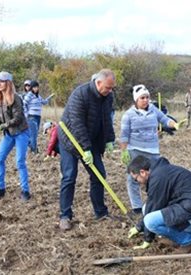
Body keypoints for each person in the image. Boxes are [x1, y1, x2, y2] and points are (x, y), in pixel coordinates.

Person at [58, 68, 116, 231]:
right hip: (70, 141)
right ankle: (65, 216)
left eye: (112, 88)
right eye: (108, 87)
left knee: (99, 175)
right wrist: (86, 149)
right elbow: (77, 125)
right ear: (98, 83)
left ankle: (100, 212)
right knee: (69, 176)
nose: (110, 91)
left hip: (91, 142)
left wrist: (110, 139)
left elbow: (107, 120)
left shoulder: (108, 96)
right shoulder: (80, 94)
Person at [127, 155, 191, 252]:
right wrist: (139, 227)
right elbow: (151, 206)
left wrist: (147, 239)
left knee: (150, 222)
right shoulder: (160, 172)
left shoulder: (158, 179)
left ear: (142, 172)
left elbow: (152, 209)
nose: (137, 182)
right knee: (146, 208)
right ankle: (176, 238)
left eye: (135, 179)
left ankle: (188, 241)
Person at [120, 84, 185, 214]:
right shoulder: (128, 115)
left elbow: (164, 119)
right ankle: (137, 207)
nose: (145, 100)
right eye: (142, 98)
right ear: (136, 100)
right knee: (133, 178)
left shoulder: (153, 110)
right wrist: (124, 150)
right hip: (135, 150)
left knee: (158, 176)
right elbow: (124, 134)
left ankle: (158, 202)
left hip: (152, 150)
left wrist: (175, 125)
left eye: (147, 97)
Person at [0, 71, 31, 201]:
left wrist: (2, 126)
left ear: (8, 83)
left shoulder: (16, 98)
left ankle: (25, 191)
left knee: (20, 162)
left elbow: (18, 118)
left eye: (2, 81)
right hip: (9, 134)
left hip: (21, 133)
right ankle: (0, 189)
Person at [23, 80, 54, 153]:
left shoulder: (38, 96)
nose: (36, 89)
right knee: (33, 134)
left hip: (38, 116)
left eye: (37, 87)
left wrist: (50, 97)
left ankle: (30, 146)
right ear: (31, 88)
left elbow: (44, 102)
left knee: (35, 134)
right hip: (31, 116)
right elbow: (24, 104)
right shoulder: (29, 95)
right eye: (34, 87)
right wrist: (26, 114)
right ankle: (34, 150)